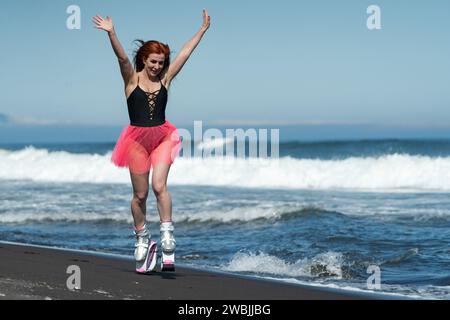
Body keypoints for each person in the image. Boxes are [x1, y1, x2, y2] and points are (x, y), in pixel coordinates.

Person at [92, 9, 211, 272]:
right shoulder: (131, 80)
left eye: (161, 62)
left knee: (159, 186)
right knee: (140, 195)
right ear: (144, 60)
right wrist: (112, 33)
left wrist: (201, 31)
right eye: (153, 62)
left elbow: (184, 54)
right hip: (135, 141)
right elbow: (122, 58)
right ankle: (142, 238)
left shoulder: (166, 79)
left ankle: (168, 236)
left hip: (163, 136)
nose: (158, 66)